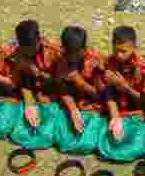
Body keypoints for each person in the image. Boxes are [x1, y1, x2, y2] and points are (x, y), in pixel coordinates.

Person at [97, 25, 145, 162]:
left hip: (137, 114)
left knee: (134, 147)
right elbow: (109, 94)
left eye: (123, 51)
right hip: (118, 112)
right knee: (106, 143)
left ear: (134, 48)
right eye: (115, 50)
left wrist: (125, 87)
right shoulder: (109, 63)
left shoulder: (143, 68)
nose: (119, 55)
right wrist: (115, 118)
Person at [7, 19, 63, 150]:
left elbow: (60, 82)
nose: (28, 52)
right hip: (29, 92)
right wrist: (29, 104)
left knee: (47, 124)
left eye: (31, 48)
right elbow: (19, 83)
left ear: (39, 40)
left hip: (51, 93)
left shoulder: (54, 51)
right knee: (24, 125)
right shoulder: (16, 54)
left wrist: (38, 73)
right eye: (24, 48)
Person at [51, 25, 105, 152]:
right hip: (71, 102)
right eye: (69, 53)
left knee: (86, 142)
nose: (73, 57)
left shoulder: (94, 61)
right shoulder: (61, 59)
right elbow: (62, 88)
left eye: (76, 53)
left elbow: (101, 95)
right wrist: (73, 110)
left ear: (84, 49)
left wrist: (80, 83)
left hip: (92, 104)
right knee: (63, 137)